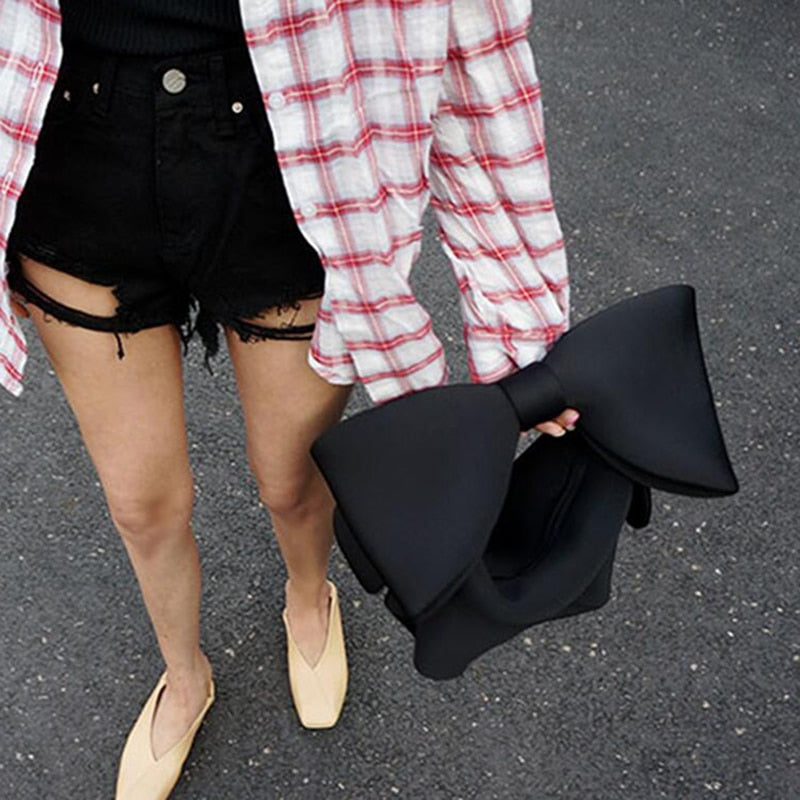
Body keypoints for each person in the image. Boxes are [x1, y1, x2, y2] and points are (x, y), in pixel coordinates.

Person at [0, 1, 579, 797]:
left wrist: (523, 326)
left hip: (287, 150)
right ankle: (184, 677)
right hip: (70, 148)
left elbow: (478, 44)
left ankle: (309, 597)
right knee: (140, 504)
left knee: (292, 478)